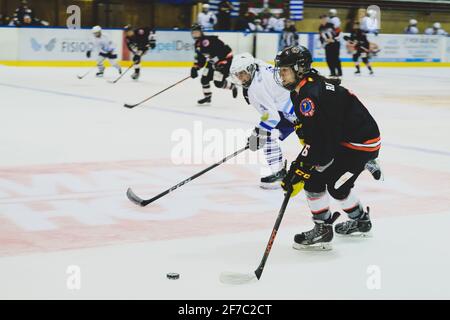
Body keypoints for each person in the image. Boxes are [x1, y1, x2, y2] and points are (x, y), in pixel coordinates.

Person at [274, 45, 382, 250]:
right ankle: (360, 221)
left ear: (300, 68)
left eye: (284, 70)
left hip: (359, 144)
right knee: (333, 184)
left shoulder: (309, 94)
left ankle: (323, 229)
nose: (281, 75)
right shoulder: (302, 90)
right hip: (348, 138)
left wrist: (299, 170)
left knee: (316, 181)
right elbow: (318, 133)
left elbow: (322, 146)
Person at [230, 53, 297, 188]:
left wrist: (258, 135)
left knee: (267, 136)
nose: (240, 78)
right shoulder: (258, 65)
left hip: (293, 111)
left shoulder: (256, 88)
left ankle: (279, 175)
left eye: (242, 73)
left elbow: (271, 117)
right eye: (237, 74)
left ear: (250, 69)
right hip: (292, 104)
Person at [190, 23, 238, 105]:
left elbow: (224, 51)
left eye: (197, 32)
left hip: (224, 61)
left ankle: (233, 86)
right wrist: (195, 67)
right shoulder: (197, 44)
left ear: (201, 32)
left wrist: (217, 61)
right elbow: (200, 59)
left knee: (218, 83)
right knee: (204, 79)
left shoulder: (209, 40)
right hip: (213, 62)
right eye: (193, 32)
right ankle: (207, 97)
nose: (195, 34)